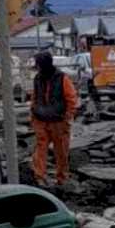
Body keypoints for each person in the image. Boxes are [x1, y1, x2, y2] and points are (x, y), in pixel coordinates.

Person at [30, 51, 78, 186]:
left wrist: (68, 116)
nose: (37, 67)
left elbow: (71, 98)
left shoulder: (62, 78)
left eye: (38, 65)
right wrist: (33, 115)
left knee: (61, 151)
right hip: (41, 119)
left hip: (59, 120)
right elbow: (35, 97)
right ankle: (39, 176)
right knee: (40, 148)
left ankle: (62, 178)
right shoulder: (37, 79)